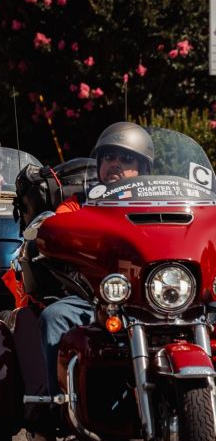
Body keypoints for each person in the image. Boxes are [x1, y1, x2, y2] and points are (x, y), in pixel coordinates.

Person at [38, 122, 154, 395]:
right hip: (92, 298)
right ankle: (57, 404)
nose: (115, 164)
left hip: (152, 301)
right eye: (109, 157)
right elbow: (57, 226)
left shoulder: (157, 206)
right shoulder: (79, 204)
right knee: (54, 317)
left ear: (143, 169)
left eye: (126, 159)